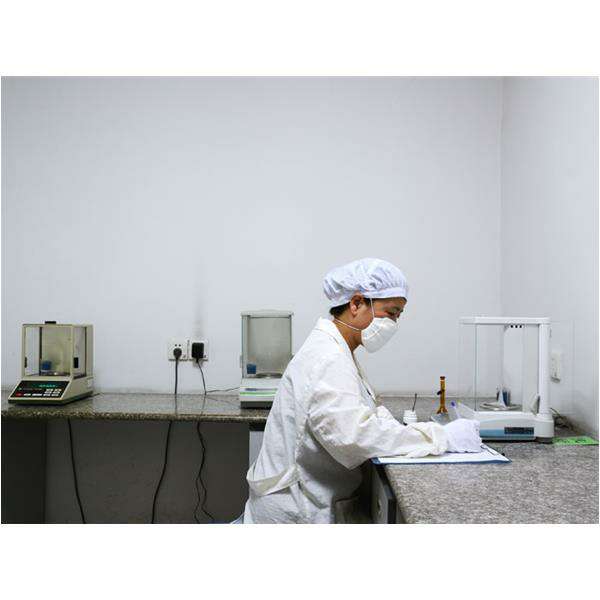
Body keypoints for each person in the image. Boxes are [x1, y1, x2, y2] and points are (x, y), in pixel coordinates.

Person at [242, 258, 481, 524]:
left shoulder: (336, 348)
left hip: (305, 499)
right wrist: (439, 437)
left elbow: (360, 414)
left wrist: (406, 429)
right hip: (297, 511)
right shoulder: (329, 358)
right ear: (356, 303)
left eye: (399, 315)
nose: (394, 323)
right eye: (391, 312)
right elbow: (354, 437)